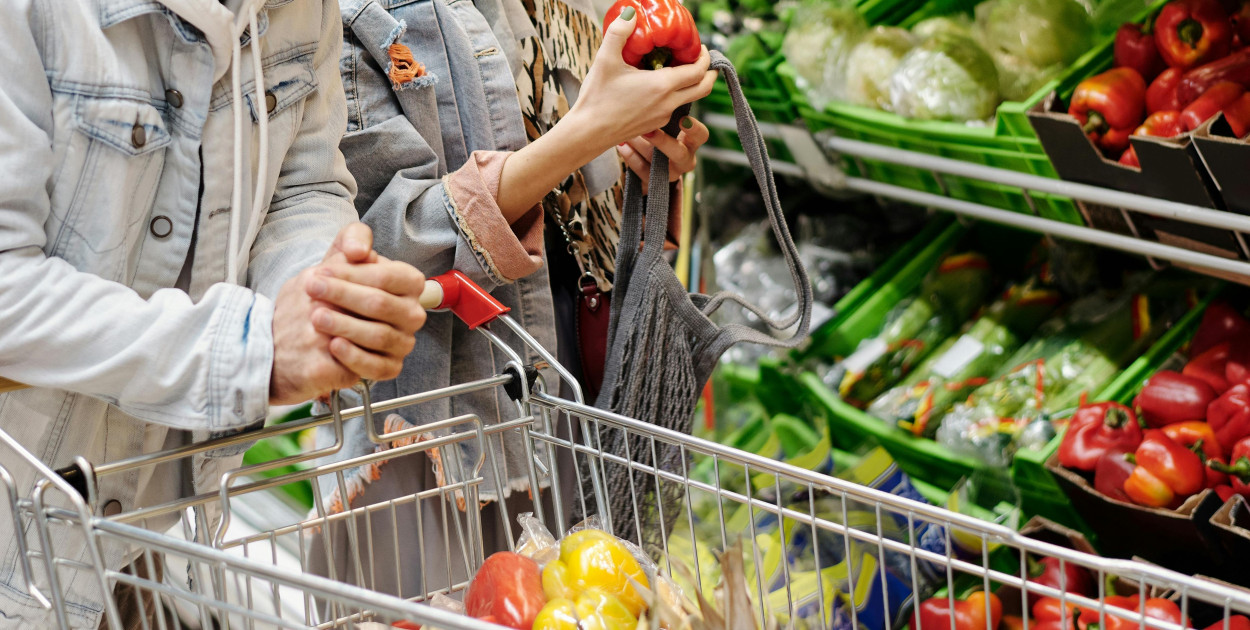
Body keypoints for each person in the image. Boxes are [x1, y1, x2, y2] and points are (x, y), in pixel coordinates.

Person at [0, 0, 430, 627]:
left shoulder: (304, 10)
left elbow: (304, 184)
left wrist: (320, 290)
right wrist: (252, 351)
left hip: (153, 524)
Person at [307, 0, 715, 602]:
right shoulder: (340, 15)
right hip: (435, 422)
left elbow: (576, 209)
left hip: (567, 394)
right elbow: (368, 253)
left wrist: (648, 165)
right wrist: (589, 132)